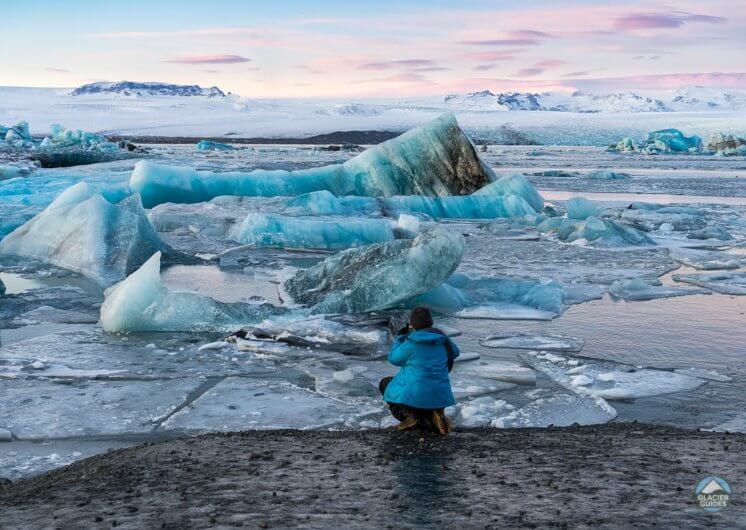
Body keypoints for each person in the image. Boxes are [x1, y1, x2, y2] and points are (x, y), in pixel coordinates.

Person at [379, 306, 459, 435]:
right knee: (424, 393)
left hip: (416, 396)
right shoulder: (442, 339)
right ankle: (436, 413)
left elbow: (393, 359)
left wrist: (400, 338)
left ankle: (410, 417)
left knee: (385, 383)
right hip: (440, 395)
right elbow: (455, 352)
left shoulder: (410, 343)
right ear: (431, 322)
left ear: (412, 324)